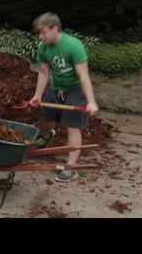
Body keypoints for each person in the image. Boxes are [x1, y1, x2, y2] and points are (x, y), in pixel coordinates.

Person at [29, 12, 99, 182]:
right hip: (55, 88)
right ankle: (46, 136)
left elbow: (83, 75)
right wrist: (37, 95)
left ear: (55, 29)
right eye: (39, 32)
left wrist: (91, 101)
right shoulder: (43, 47)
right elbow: (45, 73)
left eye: (43, 32)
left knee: (72, 127)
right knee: (46, 120)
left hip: (75, 90)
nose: (40, 36)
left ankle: (71, 167)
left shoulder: (73, 46)